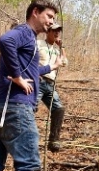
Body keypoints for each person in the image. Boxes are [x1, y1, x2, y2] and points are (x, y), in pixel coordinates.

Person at [0, 0, 63, 171]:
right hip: (16, 109)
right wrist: (17, 77)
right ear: (35, 12)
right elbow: (5, 40)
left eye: (53, 18)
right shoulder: (24, 32)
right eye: (49, 16)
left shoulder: (29, 39)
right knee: (30, 165)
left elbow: (30, 72)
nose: (51, 21)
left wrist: (51, 67)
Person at [37, 23, 68, 152]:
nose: (57, 34)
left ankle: (54, 140)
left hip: (50, 84)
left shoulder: (57, 50)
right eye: (54, 31)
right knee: (29, 109)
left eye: (58, 32)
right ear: (48, 32)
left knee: (59, 109)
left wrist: (62, 47)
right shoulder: (38, 44)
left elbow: (65, 62)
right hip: (38, 81)